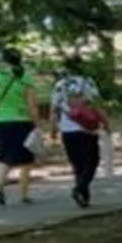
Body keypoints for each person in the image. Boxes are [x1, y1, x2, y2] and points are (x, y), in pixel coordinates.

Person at [0, 47, 42, 205]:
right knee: (26, 160)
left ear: (3, 60)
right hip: (22, 122)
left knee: (4, 157)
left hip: (1, 121)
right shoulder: (25, 78)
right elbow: (32, 105)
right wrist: (37, 124)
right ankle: (24, 195)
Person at [49, 57, 106, 208]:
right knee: (92, 161)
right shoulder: (88, 82)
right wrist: (106, 123)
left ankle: (83, 195)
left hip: (67, 130)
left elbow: (54, 109)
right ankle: (80, 189)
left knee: (77, 164)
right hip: (88, 129)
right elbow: (97, 105)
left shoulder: (60, 85)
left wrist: (53, 129)